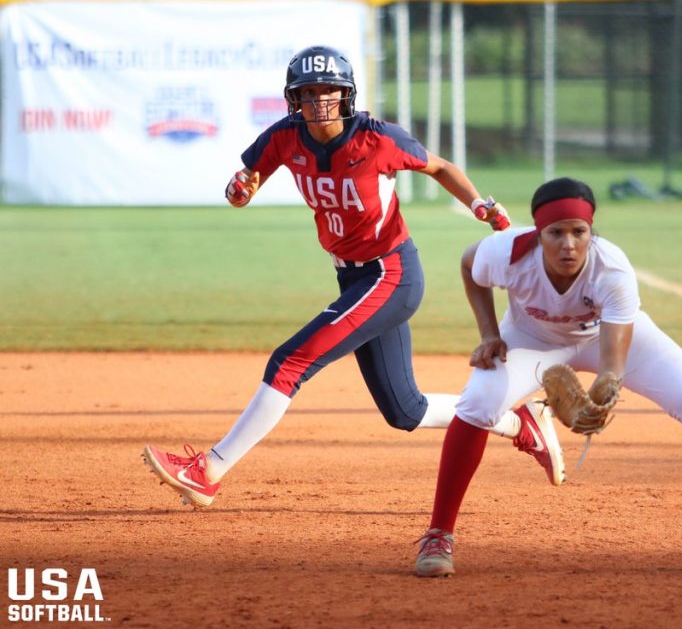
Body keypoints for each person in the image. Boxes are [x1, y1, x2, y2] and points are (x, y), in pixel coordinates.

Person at [142, 45, 566, 508]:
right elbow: (246, 181)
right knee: (404, 410)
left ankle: (209, 469)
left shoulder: (377, 139)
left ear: (346, 96)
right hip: (353, 279)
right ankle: (516, 421)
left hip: (391, 274)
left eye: (328, 91)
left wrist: (478, 204)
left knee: (290, 362)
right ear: (293, 99)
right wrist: (239, 190)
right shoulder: (285, 137)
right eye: (308, 92)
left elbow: (439, 166)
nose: (318, 102)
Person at [414, 177, 682, 578]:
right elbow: (468, 264)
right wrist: (490, 334)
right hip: (531, 340)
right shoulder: (507, 251)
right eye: (556, 232)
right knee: (478, 404)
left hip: (604, 338)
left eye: (579, 232)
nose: (568, 244)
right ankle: (438, 534)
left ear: (590, 231)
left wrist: (604, 391)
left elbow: (613, 361)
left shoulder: (611, 268)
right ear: (537, 232)